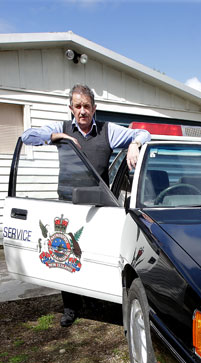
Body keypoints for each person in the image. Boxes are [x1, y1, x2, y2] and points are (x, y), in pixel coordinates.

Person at [21, 84, 151, 327]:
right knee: (64, 255)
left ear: (94, 108)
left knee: (97, 252)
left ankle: (100, 297)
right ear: (71, 107)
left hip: (98, 206)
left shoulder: (107, 131)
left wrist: (134, 144)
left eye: (87, 106)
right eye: (78, 106)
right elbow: (26, 136)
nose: (82, 111)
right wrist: (59, 137)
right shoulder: (61, 127)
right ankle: (70, 307)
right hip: (67, 205)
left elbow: (144, 133)